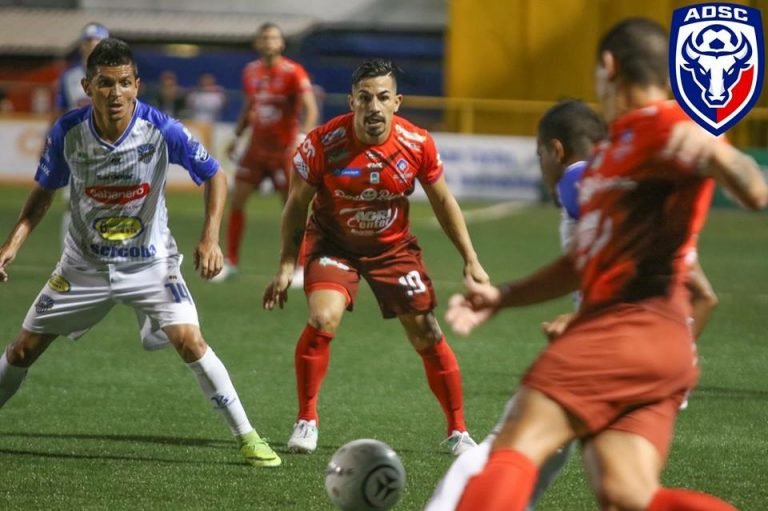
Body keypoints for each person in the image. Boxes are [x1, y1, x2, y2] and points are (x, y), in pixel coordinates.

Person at [441, 18, 767, 511]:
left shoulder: (669, 124)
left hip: (624, 326)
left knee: (513, 446)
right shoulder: (616, 149)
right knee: (625, 493)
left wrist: (720, 156)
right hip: (661, 345)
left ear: (609, 67)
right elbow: (584, 259)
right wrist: (505, 296)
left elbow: (749, 181)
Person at [426, 99, 720, 510]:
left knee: (504, 448)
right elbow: (702, 293)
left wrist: (599, 320)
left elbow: (614, 249)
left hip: (612, 344)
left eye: (539, 154)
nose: (541, 164)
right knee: (625, 493)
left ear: (557, 150)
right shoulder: (636, 195)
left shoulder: (580, 177)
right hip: (653, 354)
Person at [0, 38, 281, 468]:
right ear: (88, 86)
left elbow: (215, 176)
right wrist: (11, 245)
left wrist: (210, 237)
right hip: (83, 266)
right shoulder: (67, 132)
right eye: (106, 83)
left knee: (189, 341)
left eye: (125, 83)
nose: (116, 93)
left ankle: (248, 437)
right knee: (21, 351)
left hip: (151, 263)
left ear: (137, 85)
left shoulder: (162, 128)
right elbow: (43, 193)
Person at [262, 58, 488, 456]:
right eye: (364, 98)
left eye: (383, 97)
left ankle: (458, 431)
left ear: (396, 102)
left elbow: (443, 200)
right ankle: (306, 420)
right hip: (334, 244)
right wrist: (285, 264)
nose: (374, 106)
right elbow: (297, 205)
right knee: (322, 317)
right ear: (351, 101)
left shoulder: (417, 143)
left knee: (427, 331)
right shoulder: (322, 144)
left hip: (392, 248)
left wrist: (470, 258)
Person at [213, 22, 319, 282]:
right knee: (236, 199)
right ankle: (231, 262)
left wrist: (302, 139)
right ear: (258, 43)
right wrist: (237, 136)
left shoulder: (294, 72)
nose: (269, 42)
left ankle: (299, 266)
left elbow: (311, 109)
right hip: (256, 149)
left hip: (284, 151)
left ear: (281, 44)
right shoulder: (250, 72)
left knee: (293, 206)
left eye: (274, 38)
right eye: (265, 38)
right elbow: (250, 107)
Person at [53, 22, 110, 247]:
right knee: (71, 203)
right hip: (77, 147)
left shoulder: (115, 75)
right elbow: (61, 110)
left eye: (97, 42)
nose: (92, 46)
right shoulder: (70, 77)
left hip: (107, 148)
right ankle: (67, 260)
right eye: (88, 41)